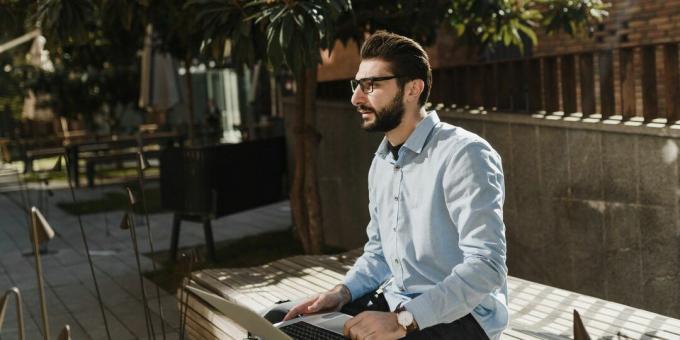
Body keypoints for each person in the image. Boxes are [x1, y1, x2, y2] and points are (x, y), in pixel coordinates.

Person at [265, 31, 508, 340]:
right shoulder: (381, 162)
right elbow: (380, 253)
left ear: (412, 89)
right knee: (280, 321)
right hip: (397, 303)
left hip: (461, 316)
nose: (356, 98)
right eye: (357, 85)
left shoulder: (464, 153)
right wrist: (341, 293)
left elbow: (487, 266)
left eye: (372, 86)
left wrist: (402, 321)